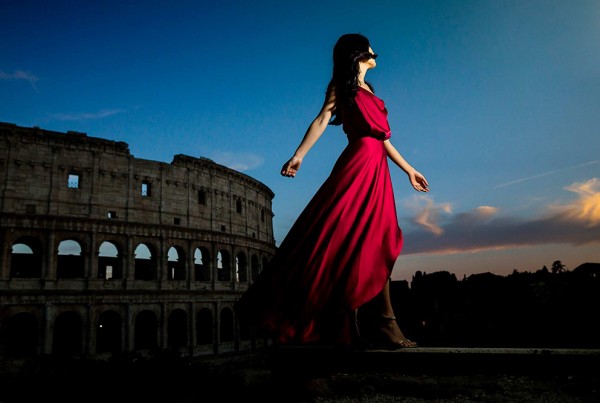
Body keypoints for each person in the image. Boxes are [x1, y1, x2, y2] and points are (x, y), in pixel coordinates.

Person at [235, 33, 429, 350]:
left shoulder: (371, 91)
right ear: (358, 54)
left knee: (380, 238)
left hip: (377, 168)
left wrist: (409, 170)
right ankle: (381, 325)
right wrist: (299, 155)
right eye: (368, 48)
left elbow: (384, 140)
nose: (374, 51)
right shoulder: (343, 87)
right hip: (357, 165)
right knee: (339, 236)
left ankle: (376, 324)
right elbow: (322, 119)